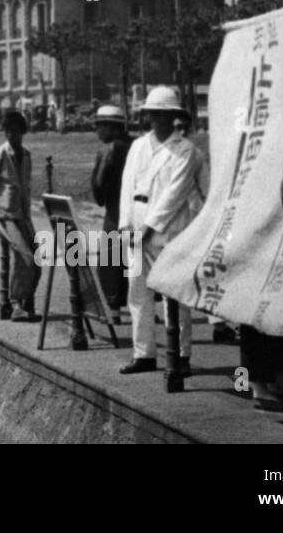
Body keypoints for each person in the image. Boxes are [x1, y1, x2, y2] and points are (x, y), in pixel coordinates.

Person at [117, 85, 206, 375]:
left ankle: (180, 354)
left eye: (161, 114)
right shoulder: (138, 146)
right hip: (136, 228)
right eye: (151, 114)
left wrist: (148, 228)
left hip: (166, 231)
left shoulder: (186, 151)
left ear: (173, 117)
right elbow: (127, 188)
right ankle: (143, 353)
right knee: (137, 292)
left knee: (174, 296)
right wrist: (125, 225)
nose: (155, 119)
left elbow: (174, 195)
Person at [0, 110, 40, 321]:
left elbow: (27, 188)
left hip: (22, 215)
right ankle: (15, 304)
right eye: (8, 131)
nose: (11, 136)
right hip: (4, 214)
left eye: (15, 131)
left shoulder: (27, 156)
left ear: (22, 132)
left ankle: (26, 301)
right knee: (26, 256)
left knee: (38, 257)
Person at [90, 105, 131, 315]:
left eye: (99, 126)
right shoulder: (136, 144)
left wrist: (100, 197)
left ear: (111, 127)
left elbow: (98, 185)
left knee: (110, 260)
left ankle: (113, 307)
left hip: (114, 212)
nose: (97, 130)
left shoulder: (109, 149)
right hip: (135, 211)